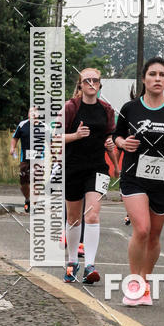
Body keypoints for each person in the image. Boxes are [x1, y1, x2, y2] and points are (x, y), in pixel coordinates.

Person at [114, 57, 164, 306]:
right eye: (153, 74)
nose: (158, 79)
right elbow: (116, 135)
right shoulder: (130, 108)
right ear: (144, 79)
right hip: (133, 177)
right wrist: (122, 143)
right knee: (142, 229)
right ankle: (133, 283)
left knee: (155, 236)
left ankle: (145, 282)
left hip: (163, 180)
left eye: (162, 75)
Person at [63, 69, 119, 285]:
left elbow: (109, 138)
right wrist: (75, 136)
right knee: (73, 218)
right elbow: (53, 138)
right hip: (73, 167)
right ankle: (71, 262)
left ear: (100, 85)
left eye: (95, 80)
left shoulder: (107, 110)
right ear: (80, 84)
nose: (91, 83)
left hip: (97, 168)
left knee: (92, 215)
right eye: (87, 80)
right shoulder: (70, 108)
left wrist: (114, 162)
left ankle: (90, 266)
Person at [11, 107, 37, 213]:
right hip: (25, 159)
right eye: (31, 111)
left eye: (36, 112)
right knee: (24, 183)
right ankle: (28, 200)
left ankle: (34, 205)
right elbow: (15, 138)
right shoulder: (22, 125)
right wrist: (12, 148)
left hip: (39, 159)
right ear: (28, 114)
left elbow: (50, 141)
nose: (34, 113)